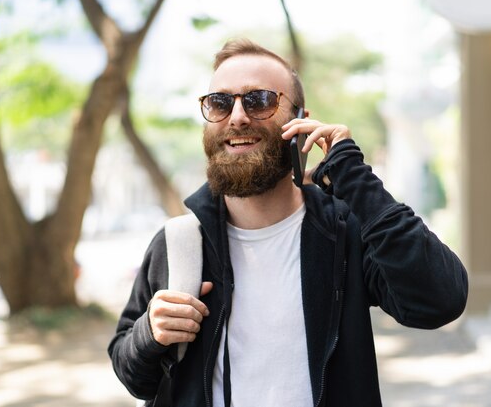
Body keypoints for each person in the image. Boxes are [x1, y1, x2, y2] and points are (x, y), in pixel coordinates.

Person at [108, 38, 469, 407]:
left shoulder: (343, 231)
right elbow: (134, 376)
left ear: (300, 121)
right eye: (219, 102)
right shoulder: (178, 243)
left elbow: (440, 300)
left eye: (259, 100)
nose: (237, 117)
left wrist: (353, 176)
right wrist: (148, 334)